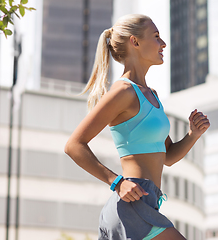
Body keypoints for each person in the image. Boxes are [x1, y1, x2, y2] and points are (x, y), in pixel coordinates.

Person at [65, 14, 210, 240]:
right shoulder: (123, 92)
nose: (163, 44)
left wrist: (193, 134)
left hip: (148, 203)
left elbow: (168, 157)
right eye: (156, 37)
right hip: (130, 206)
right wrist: (117, 182)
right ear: (135, 42)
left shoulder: (152, 96)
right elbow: (74, 145)